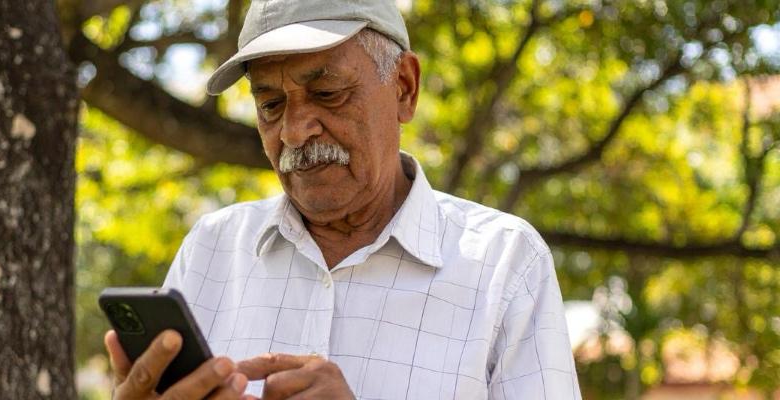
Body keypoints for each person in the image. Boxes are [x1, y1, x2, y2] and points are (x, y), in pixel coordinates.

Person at [103, 0, 582, 398]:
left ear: (404, 89)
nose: (293, 131)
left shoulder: (505, 263)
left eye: (327, 92)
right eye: (270, 104)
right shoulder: (212, 249)